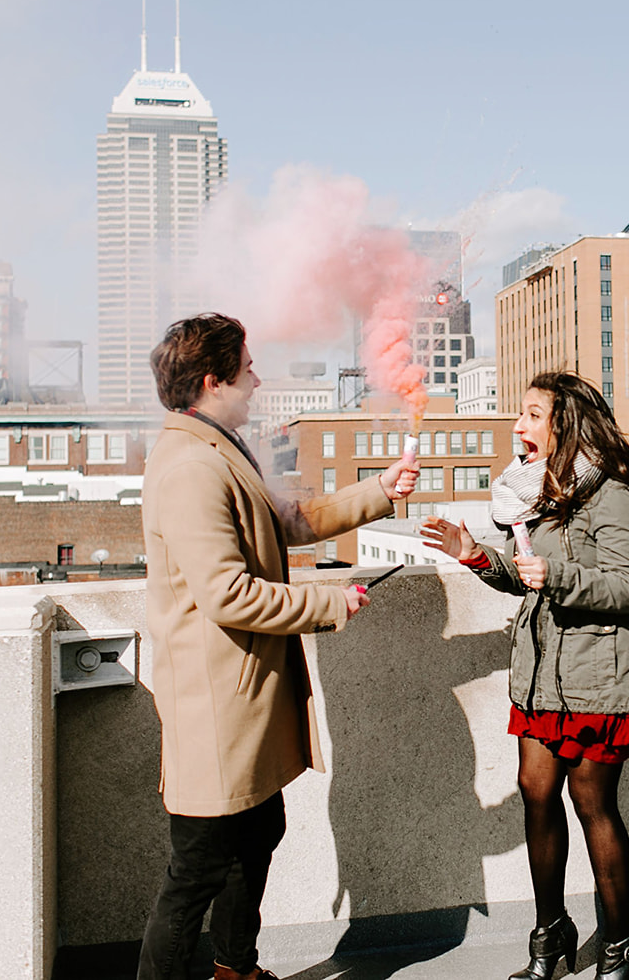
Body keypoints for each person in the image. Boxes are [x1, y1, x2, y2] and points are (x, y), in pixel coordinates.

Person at [137, 313, 418, 980]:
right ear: (214, 380)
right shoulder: (191, 467)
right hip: (217, 712)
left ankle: (236, 968)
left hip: (242, 706)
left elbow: (284, 520)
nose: (257, 379)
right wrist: (327, 603)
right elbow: (228, 593)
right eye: (248, 368)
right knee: (197, 869)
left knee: (258, 834)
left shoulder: (217, 446)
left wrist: (378, 490)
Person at [421, 372, 629, 980]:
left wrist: (552, 577)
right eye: (520, 415)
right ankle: (551, 933)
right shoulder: (543, 495)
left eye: (532, 415)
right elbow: (529, 572)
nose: (519, 427)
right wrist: (477, 555)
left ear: (566, 423)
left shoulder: (611, 493)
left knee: (592, 803)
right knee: (537, 794)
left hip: (601, 676)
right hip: (544, 677)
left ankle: (619, 943)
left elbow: (624, 585)